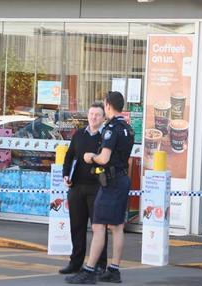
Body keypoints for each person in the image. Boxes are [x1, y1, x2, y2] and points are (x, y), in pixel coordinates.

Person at [66, 91, 134, 284]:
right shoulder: (127, 128)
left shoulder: (111, 128)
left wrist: (90, 157)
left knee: (97, 226)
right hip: (122, 179)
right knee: (117, 226)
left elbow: (103, 158)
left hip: (110, 182)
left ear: (108, 105)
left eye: (104, 104)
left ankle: (89, 271)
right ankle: (114, 269)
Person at [59, 102, 108, 275]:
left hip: (97, 188)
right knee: (77, 227)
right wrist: (65, 175)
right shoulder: (79, 134)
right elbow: (69, 156)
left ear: (103, 118)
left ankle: (101, 265)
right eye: (91, 114)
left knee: (99, 229)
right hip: (77, 187)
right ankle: (75, 262)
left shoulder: (106, 137)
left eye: (97, 115)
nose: (93, 117)